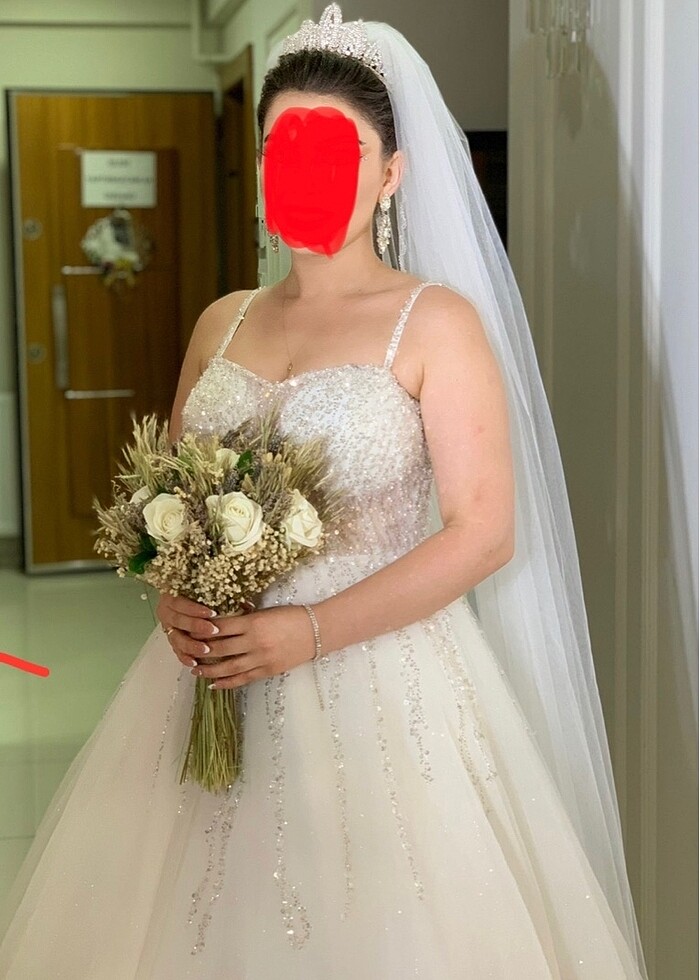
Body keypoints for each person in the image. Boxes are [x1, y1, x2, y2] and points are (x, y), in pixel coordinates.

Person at [0, 5, 649, 978]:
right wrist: (175, 593)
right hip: (213, 673)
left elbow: (482, 532)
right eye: (280, 149)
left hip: (377, 678)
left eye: (333, 150)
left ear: (390, 172)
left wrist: (305, 632)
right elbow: (169, 500)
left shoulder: (436, 324)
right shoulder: (222, 319)